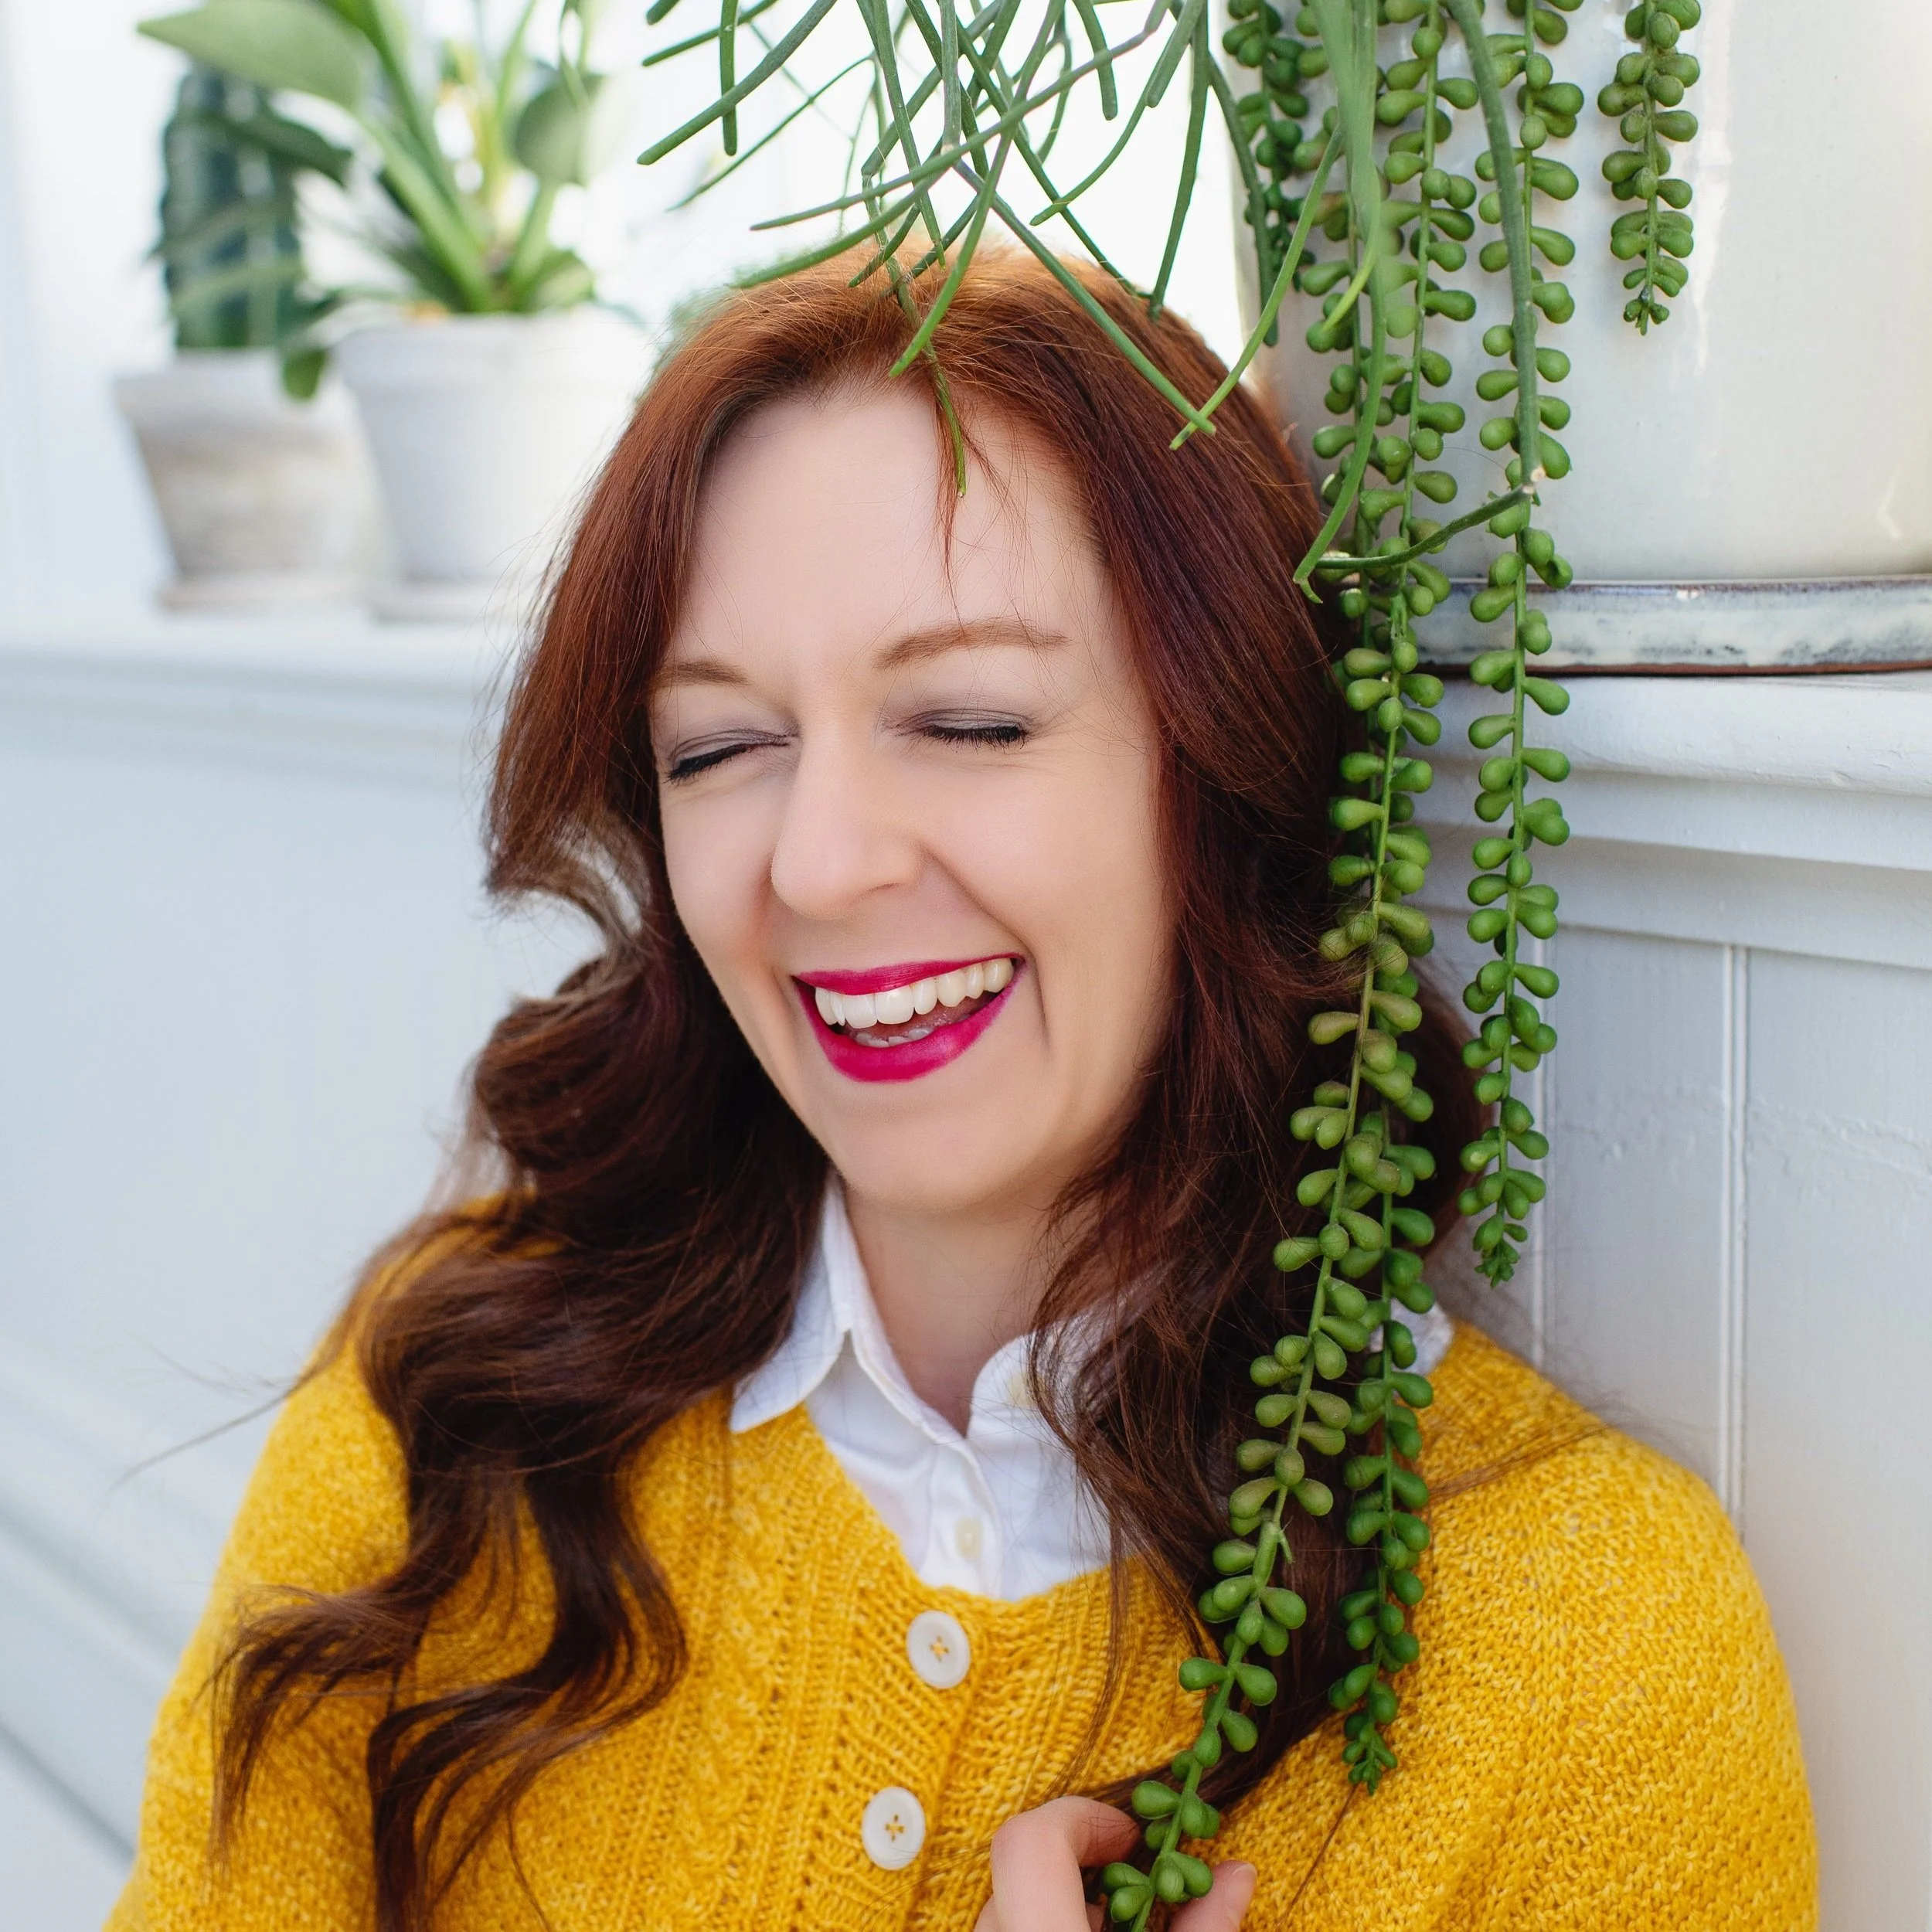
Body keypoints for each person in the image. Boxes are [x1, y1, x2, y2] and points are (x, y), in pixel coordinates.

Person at [108, 253, 1815, 1932]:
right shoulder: (453, 1393)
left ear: (1218, 769)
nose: (821, 860)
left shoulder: (1585, 1641)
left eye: (970, 721)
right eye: (717, 747)